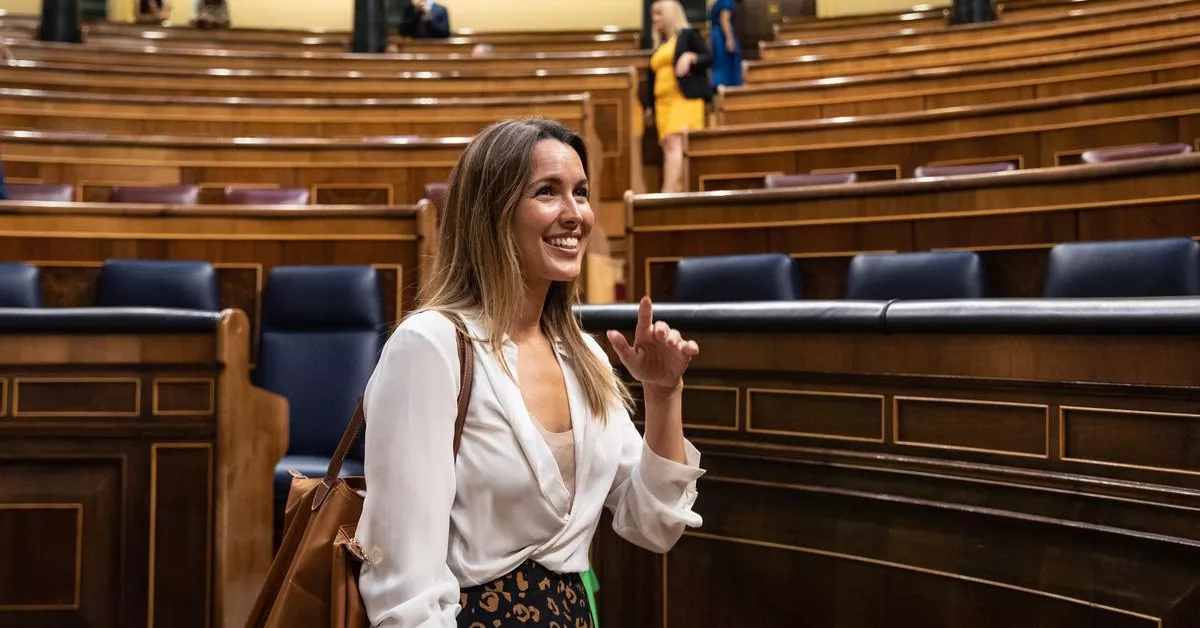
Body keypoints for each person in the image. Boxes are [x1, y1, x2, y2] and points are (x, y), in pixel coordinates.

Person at [354, 117, 705, 627]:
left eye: (580, 193)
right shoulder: (431, 346)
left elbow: (653, 524)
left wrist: (664, 393)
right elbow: (403, 585)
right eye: (547, 192)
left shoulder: (584, 355)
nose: (576, 215)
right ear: (491, 214)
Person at [646, 0, 712, 193]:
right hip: (663, 104)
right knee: (669, 147)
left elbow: (708, 57)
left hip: (684, 99)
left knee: (675, 143)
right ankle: (677, 191)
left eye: (658, 14)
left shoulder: (687, 35)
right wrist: (649, 106)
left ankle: (668, 194)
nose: (654, 19)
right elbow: (652, 79)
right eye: (653, 14)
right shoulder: (660, 44)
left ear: (670, 14)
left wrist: (691, 57)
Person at [709, 0, 743, 90]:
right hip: (722, 37)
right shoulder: (727, 1)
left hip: (716, 36)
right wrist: (729, 39)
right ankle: (729, 94)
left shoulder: (716, 2)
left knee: (718, 65)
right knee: (727, 66)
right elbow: (724, 19)